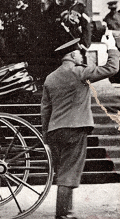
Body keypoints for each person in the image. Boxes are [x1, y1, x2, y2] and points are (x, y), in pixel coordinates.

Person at [41, 34, 119, 219]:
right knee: (69, 174)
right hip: (75, 129)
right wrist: (112, 47)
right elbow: (112, 68)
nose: (81, 56)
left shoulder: (50, 78)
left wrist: (46, 136)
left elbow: (45, 110)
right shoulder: (80, 72)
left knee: (64, 173)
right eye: (79, 53)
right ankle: (63, 214)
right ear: (73, 55)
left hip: (54, 131)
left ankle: (67, 212)